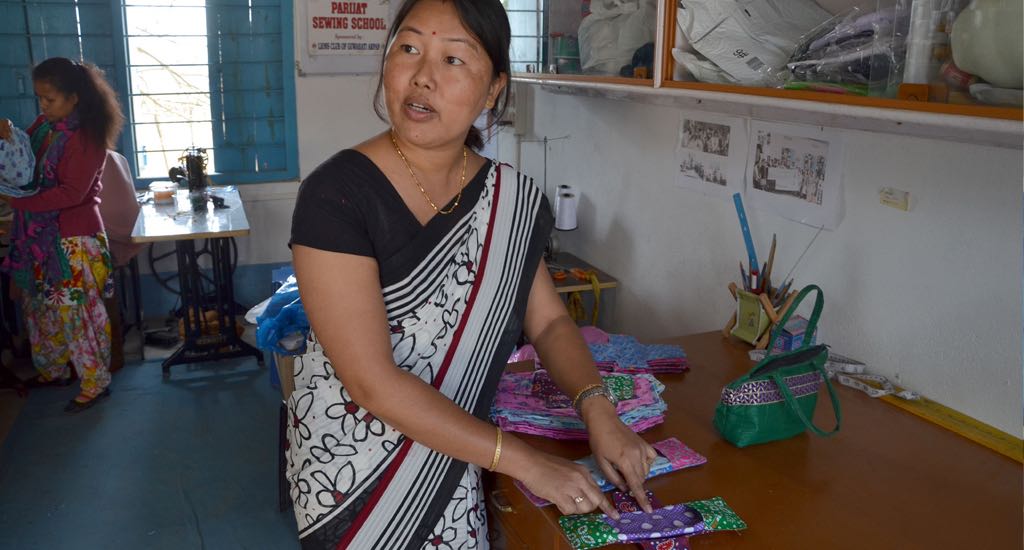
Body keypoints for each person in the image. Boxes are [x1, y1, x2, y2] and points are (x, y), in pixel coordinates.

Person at [288, 1, 657, 547]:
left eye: (453, 59)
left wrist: (598, 409)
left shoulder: (511, 200)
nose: (422, 76)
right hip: (353, 475)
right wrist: (528, 463)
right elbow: (371, 382)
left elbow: (551, 323)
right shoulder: (335, 197)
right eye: (408, 48)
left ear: (493, 91)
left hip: (460, 452)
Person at [0, 57, 124, 412]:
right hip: (43, 239)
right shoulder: (45, 127)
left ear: (75, 98)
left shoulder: (85, 138)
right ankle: (54, 370)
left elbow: (73, 193)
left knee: (79, 315)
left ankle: (95, 382)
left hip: (74, 241)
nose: (43, 106)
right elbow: (25, 163)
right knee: (42, 311)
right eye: (40, 98)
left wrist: (19, 201)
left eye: (50, 99)